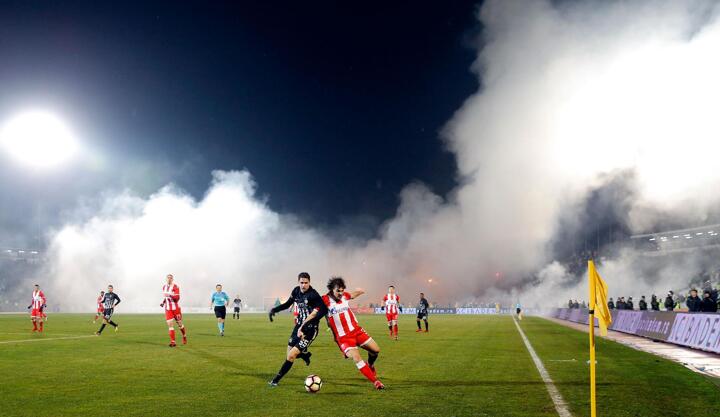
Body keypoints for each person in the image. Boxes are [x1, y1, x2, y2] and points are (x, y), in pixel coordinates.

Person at [321, 276, 384, 390]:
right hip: (344, 338)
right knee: (356, 357)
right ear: (331, 289)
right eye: (338, 291)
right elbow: (314, 308)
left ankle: (370, 365)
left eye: (342, 290)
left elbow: (352, 295)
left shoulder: (344, 296)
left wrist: (360, 291)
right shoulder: (324, 300)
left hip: (356, 331)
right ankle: (376, 382)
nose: (340, 293)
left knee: (375, 350)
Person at [267, 272, 326, 386]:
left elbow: (323, 310)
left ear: (309, 282)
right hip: (298, 326)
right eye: (301, 282)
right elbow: (288, 304)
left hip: (310, 329)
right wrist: (275, 310)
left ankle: (275, 381)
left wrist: (310, 323)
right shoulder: (296, 291)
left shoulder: (313, 295)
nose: (303, 285)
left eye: (306, 283)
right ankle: (304, 355)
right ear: (298, 282)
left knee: (291, 355)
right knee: (289, 354)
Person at [161, 274, 187, 347]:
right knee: (170, 325)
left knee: (180, 324)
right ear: (166, 279)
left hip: (175, 309)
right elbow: (166, 297)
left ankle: (184, 336)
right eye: (168, 278)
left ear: (172, 279)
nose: (169, 279)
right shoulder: (164, 287)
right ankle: (173, 342)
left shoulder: (176, 287)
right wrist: (163, 302)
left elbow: (177, 298)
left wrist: (170, 295)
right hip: (168, 309)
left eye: (170, 278)